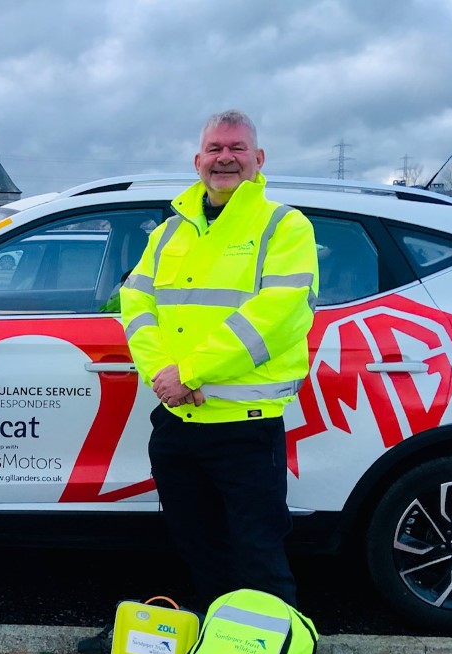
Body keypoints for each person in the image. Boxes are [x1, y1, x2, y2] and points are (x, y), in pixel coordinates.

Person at [119, 109, 318, 609]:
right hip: (178, 424)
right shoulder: (168, 234)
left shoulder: (283, 227)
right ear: (198, 160)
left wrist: (189, 372)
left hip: (244, 430)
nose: (224, 158)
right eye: (215, 149)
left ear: (258, 158)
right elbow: (136, 306)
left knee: (259, 559)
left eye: (236, 148)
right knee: (201, 553)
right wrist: (164, 377)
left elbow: (276, 315)